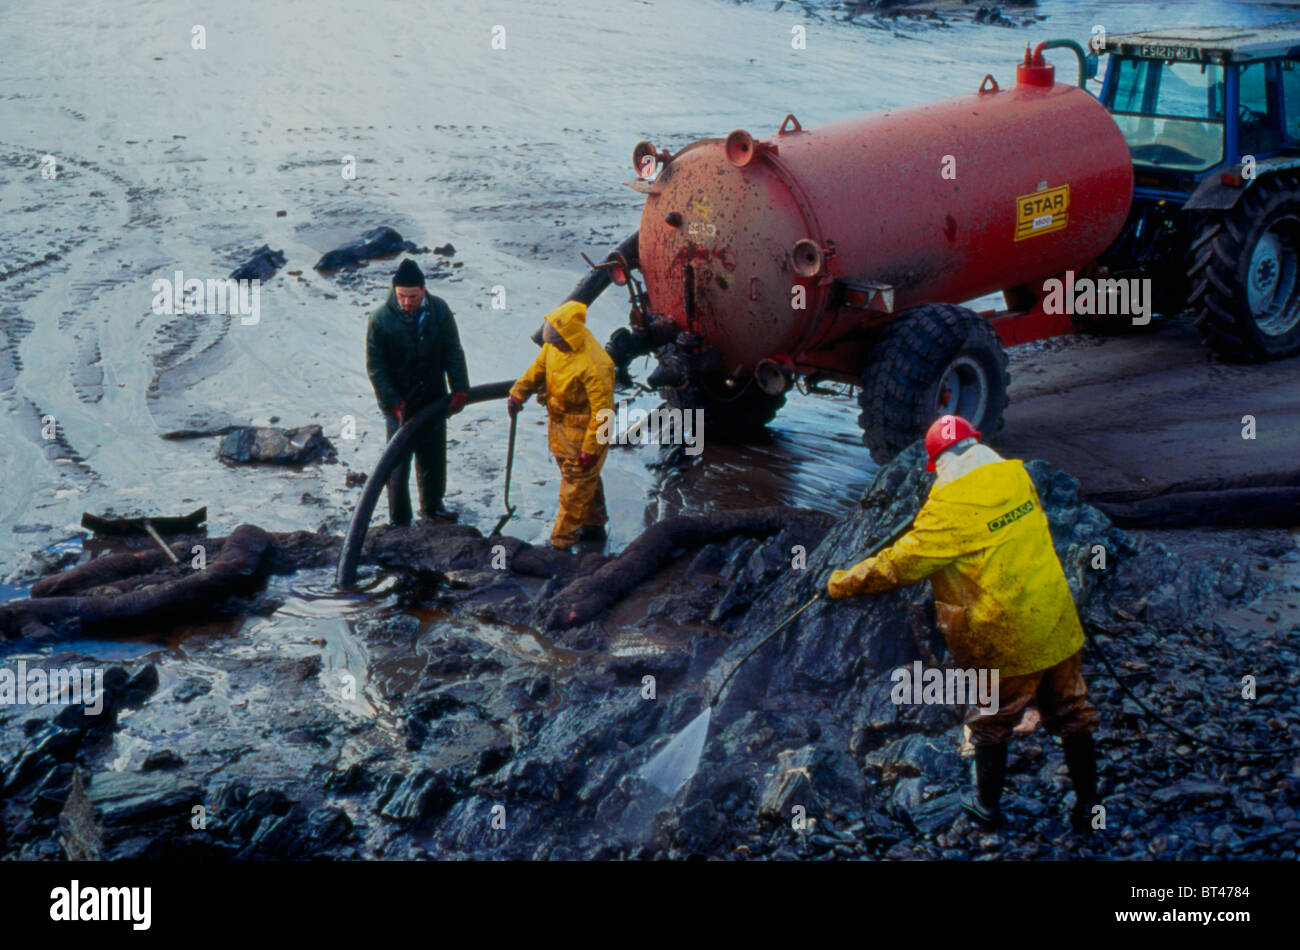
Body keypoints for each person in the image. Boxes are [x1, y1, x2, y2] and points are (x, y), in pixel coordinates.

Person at [826, 414, 1100, 832]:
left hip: (1006, 637)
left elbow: (900, 565)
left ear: (939, 463)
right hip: (1057, 617)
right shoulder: (1017, 476)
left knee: (990, 723)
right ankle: (1086, 808)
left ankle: (987, 808)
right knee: (1072, 711)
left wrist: (841, 583)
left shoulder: (948, 510)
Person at [365, 258, 469, 524]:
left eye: (412, 296)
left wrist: (460, 388)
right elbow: (376, 367)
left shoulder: (440, 311)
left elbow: (453, 351)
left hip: (433, 398)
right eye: (402, 296)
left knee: (433, 456)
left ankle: (433, 507)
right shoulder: (380, 320)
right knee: (397, 464)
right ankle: (399, 519)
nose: (407, 302)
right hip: (400, 404)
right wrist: (392, 401)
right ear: (394, 291)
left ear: (423, 289)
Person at [507, 301, 614, 551]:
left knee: (573, 489)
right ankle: (595, 525)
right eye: (551, 344)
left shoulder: (596, 364)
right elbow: (538, 369)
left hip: (586, 431)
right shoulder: (554, 347)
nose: (554, 347)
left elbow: (605, 413)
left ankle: (560, 542)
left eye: (557, 343)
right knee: (585, 481)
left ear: (569, 337)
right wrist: (518, 393)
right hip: (561, 428)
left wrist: (592, 448)